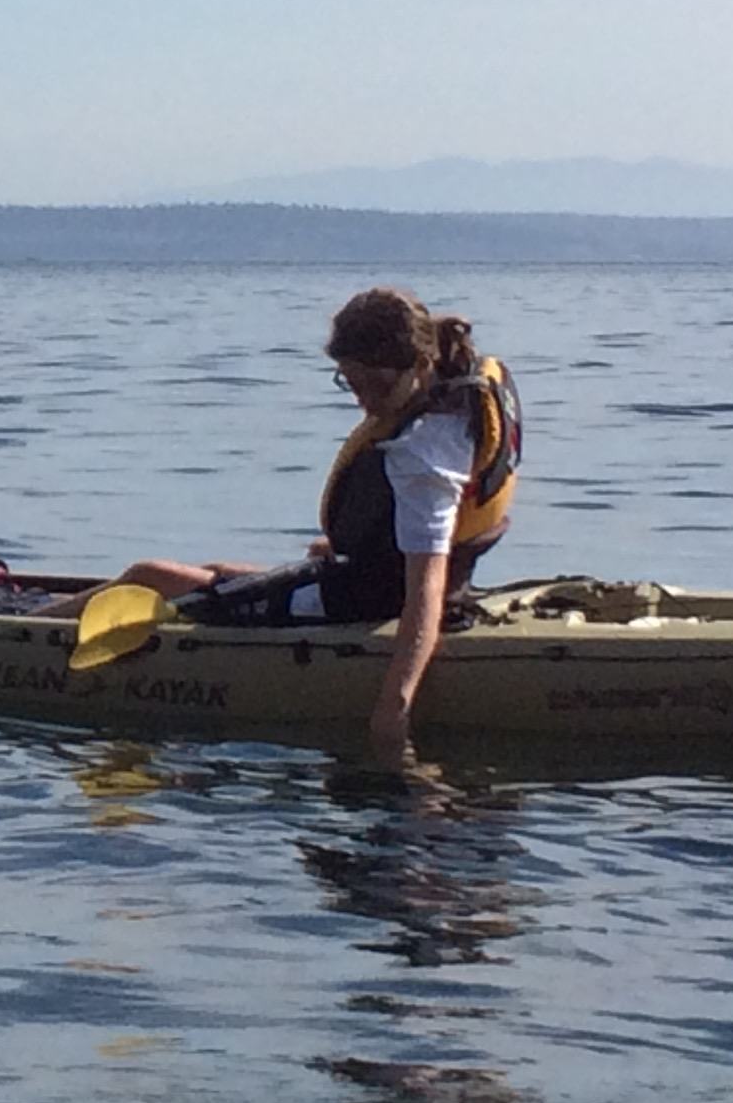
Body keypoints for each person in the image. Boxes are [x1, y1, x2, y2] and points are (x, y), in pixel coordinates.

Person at [111, 286, 521, 760]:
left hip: (365, 602)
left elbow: (423, 593)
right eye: (351, 383)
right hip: (389, 581)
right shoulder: (457, 398)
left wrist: (395, 706)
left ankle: (13, 633)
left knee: (149, 577)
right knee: (214, 569)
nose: (364, 402)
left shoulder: (423, 455)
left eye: (377, 385)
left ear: (419, 363)